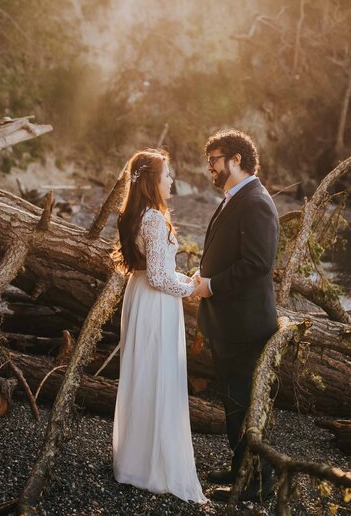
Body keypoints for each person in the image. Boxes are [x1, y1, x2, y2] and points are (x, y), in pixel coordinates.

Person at [111, 149, 207, 504]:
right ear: (152, 180)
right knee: (157, 375)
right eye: (167, 175)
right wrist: (192, 288)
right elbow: (158, 277)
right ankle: (152, 464)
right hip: (154, 304)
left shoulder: (140, 215)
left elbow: (155, 270)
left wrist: (184, 277)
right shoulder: (152, 218)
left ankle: (136, 459)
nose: (171, 181)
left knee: (145, 373)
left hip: (142, 297)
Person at [191, 129, 279, 504]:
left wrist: (211, 286)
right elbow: (228, 251)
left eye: (214, 159)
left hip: (245, 326)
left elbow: (258, 264)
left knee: (244, 404)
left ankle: (258, 483)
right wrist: (203, 273)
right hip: (229, 323)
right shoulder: (235, 197)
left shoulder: (256, 201)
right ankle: (240, 465)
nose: (209, 167)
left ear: (236, 160)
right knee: (233, 401)